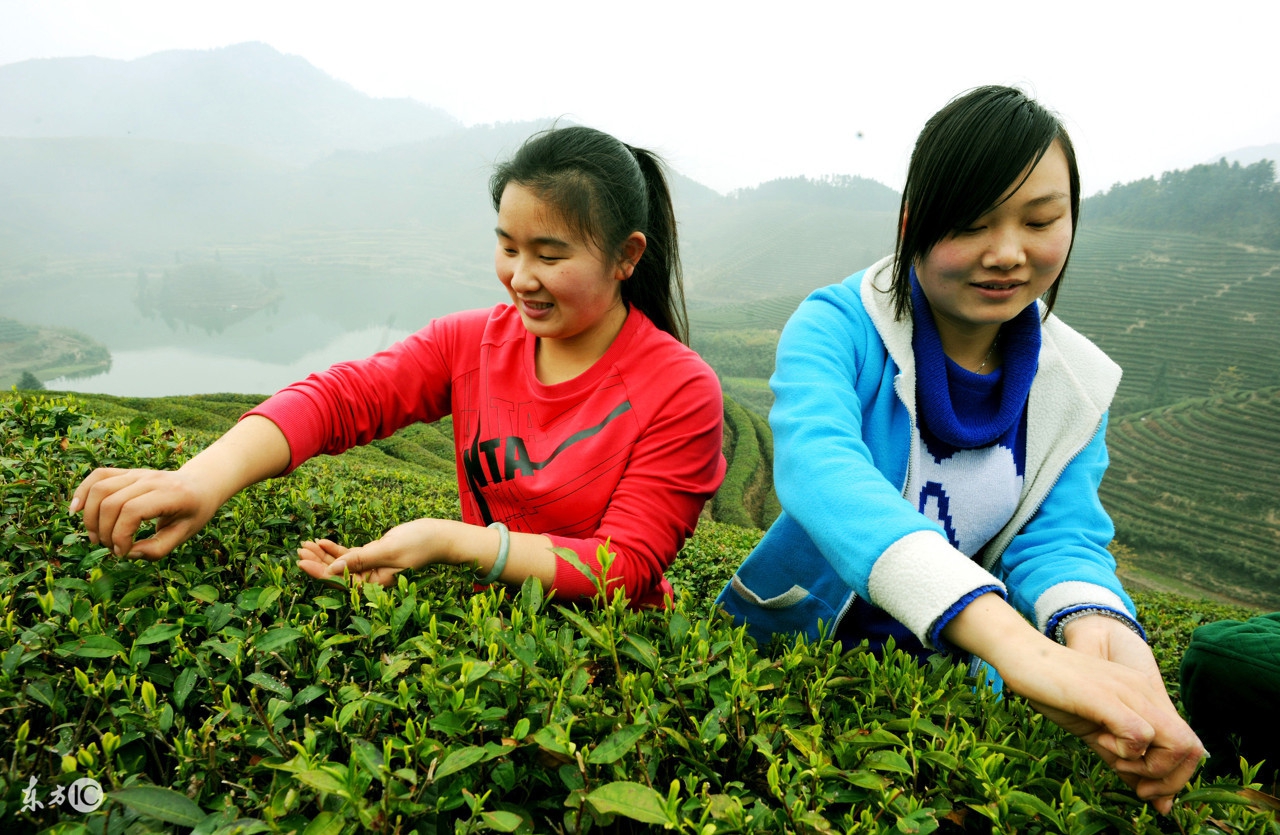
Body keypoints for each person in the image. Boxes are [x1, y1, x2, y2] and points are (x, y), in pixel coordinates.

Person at [716, 86, 1204, 812]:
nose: (1007, 254)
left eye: (1040, 220)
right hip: (784, 661)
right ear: (914, 223)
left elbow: (1061, 536)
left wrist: (1102, 634)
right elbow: (822, 472)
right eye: (974, 223)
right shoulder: (838, 326)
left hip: (939, 690)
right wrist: (1015, 642)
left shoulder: (1072, 386)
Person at [71, 125, 726, 609]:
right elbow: (339, 399)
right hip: (495, 638)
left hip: (621, 663)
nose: (520, 277)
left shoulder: (678, 389)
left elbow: (626, 567)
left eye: (549, 255)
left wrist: (451, 542)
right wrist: (202, 479)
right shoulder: (471, 344)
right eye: (507, 246)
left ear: (625, 255)